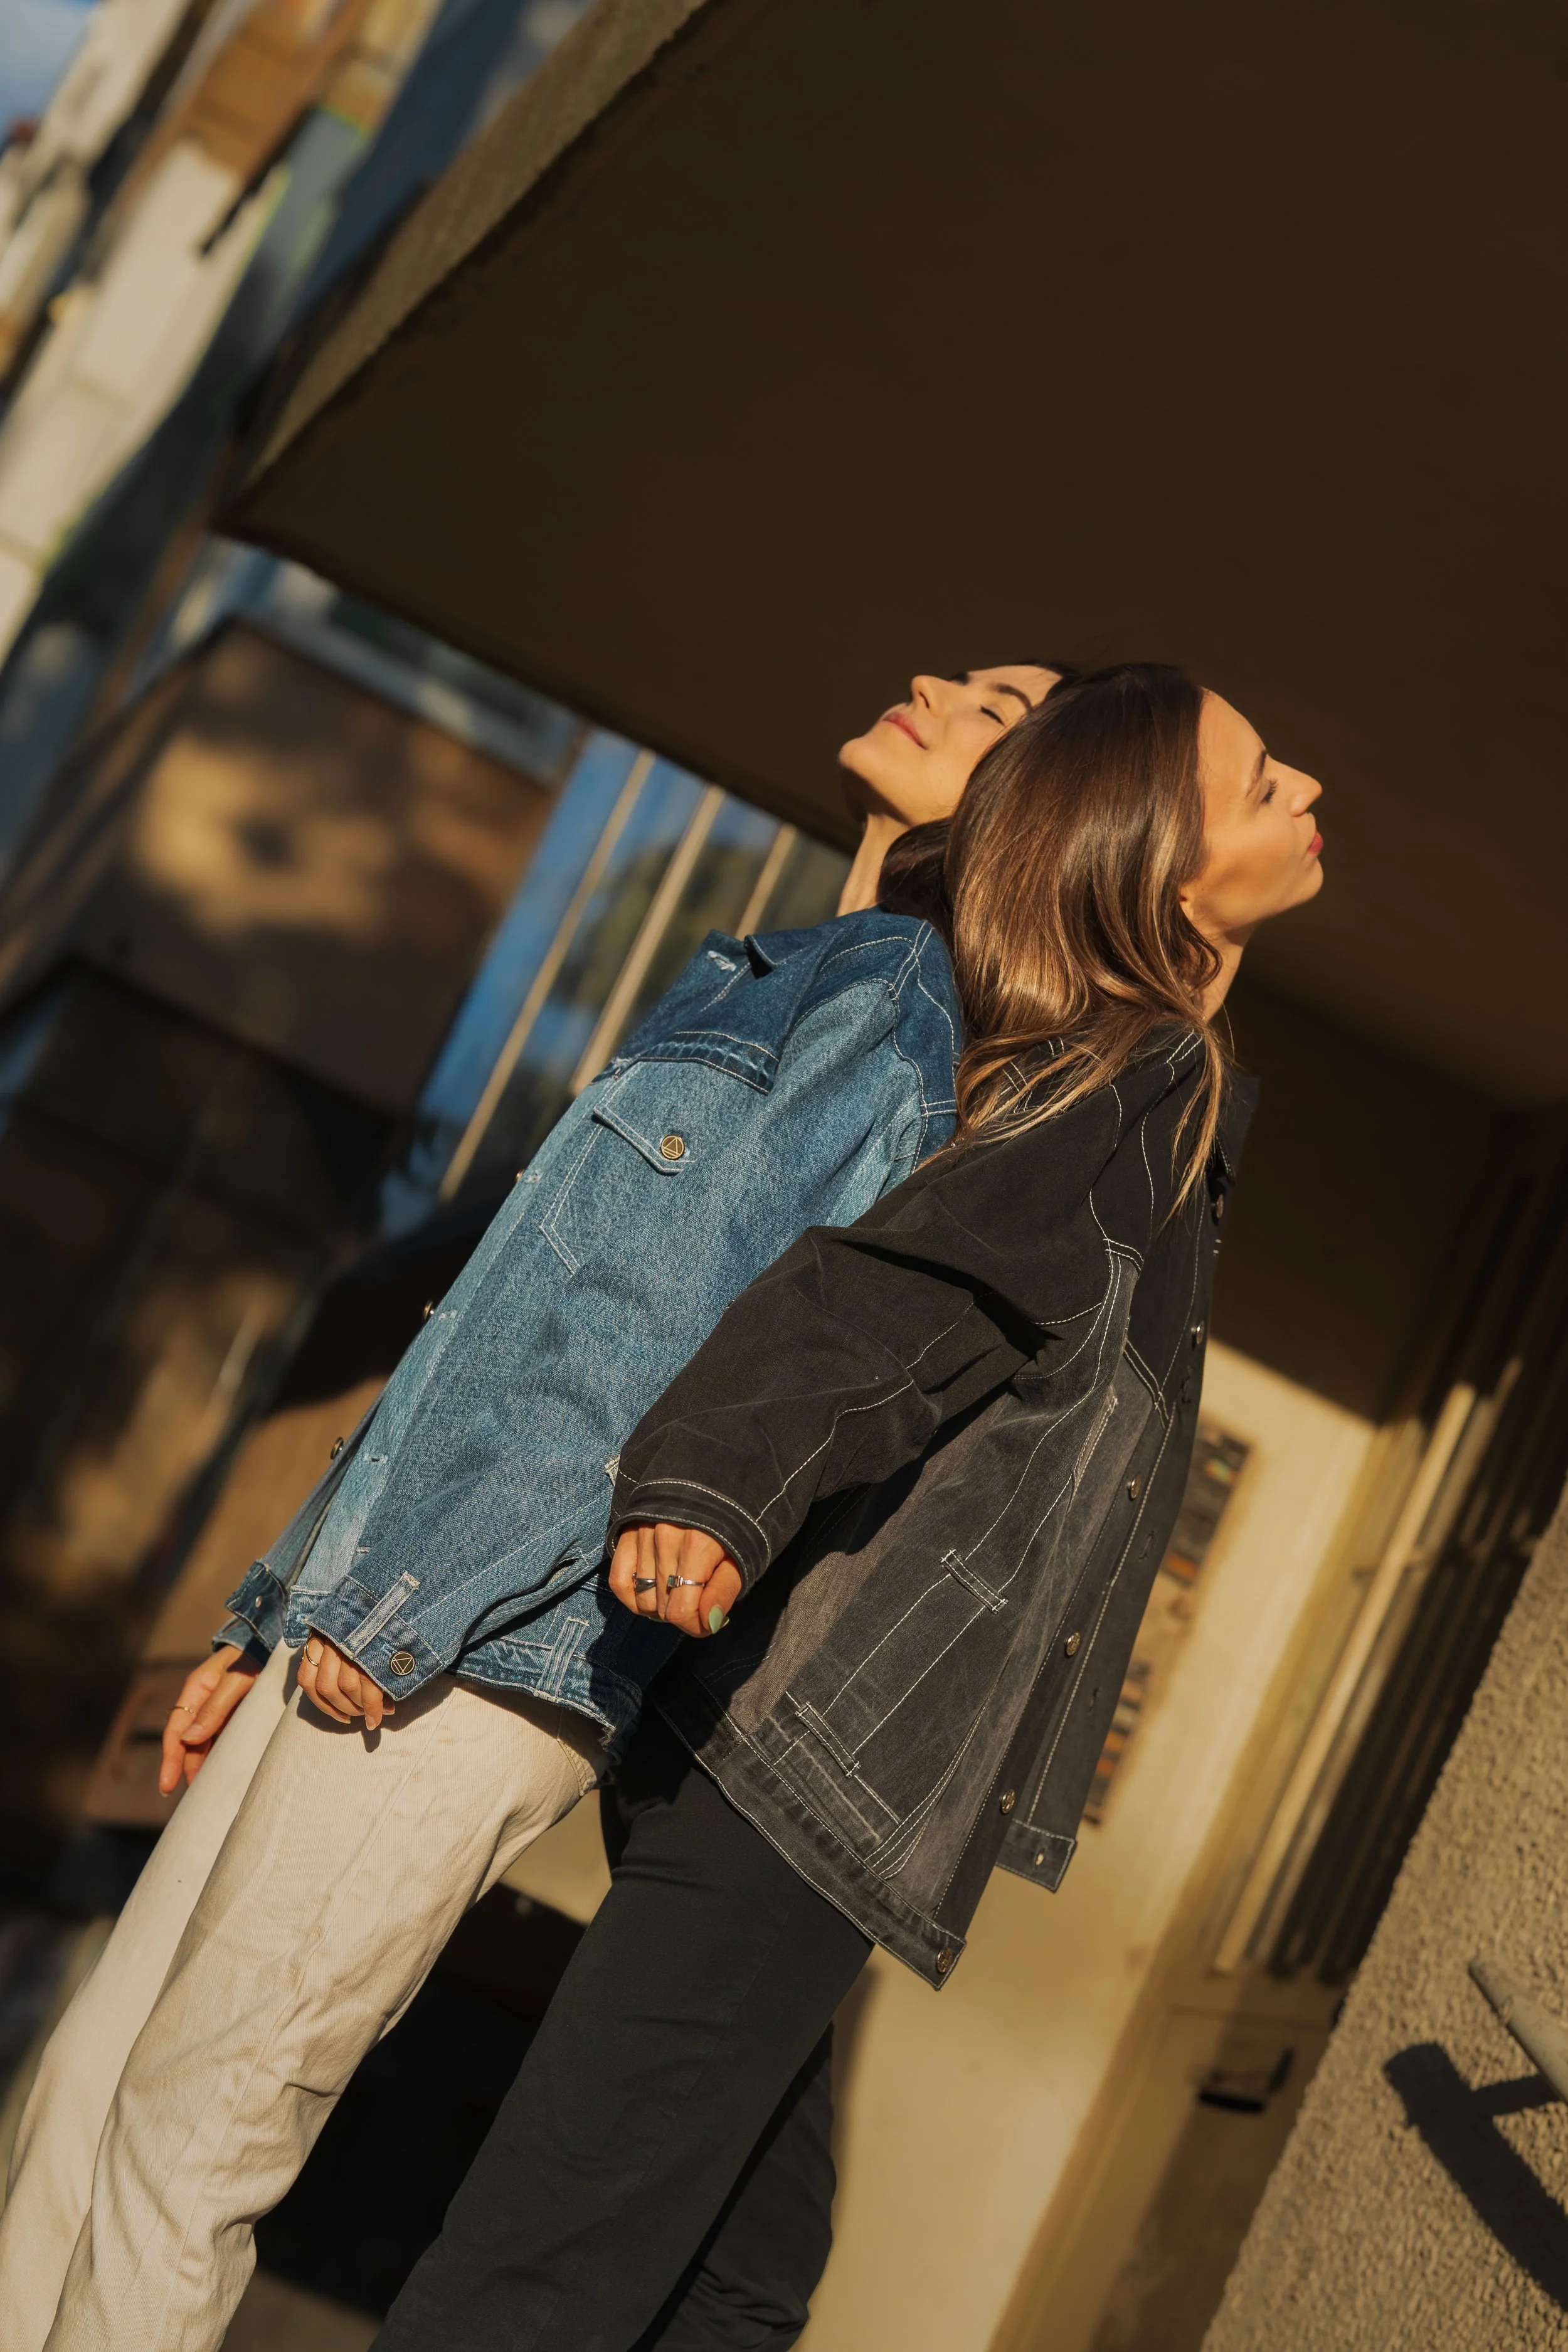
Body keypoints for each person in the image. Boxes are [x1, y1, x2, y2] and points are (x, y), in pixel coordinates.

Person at [0, 661, 1064, 2352]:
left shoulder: (891, 1013)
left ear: (1038, 813)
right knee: (89, 2088)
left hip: (488, 1644)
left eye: (994, 707)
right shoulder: (784, 969)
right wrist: (281, 1595)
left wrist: (421, 1602)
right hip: (385, 1596)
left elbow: (666, 1358)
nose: (932, 681)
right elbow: (499, 1325)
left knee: (192, 2133)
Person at [367, 660, 1327, 2349]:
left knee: (744, 2271)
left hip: (793, 1749)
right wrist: (720, 1481)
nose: (1307, 786)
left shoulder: (1154, 1085)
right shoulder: (1138, 1079)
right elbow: (909, 1282)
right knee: (549, 2271)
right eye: (1260, 783)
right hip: (809, 1751)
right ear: (1160, 865)